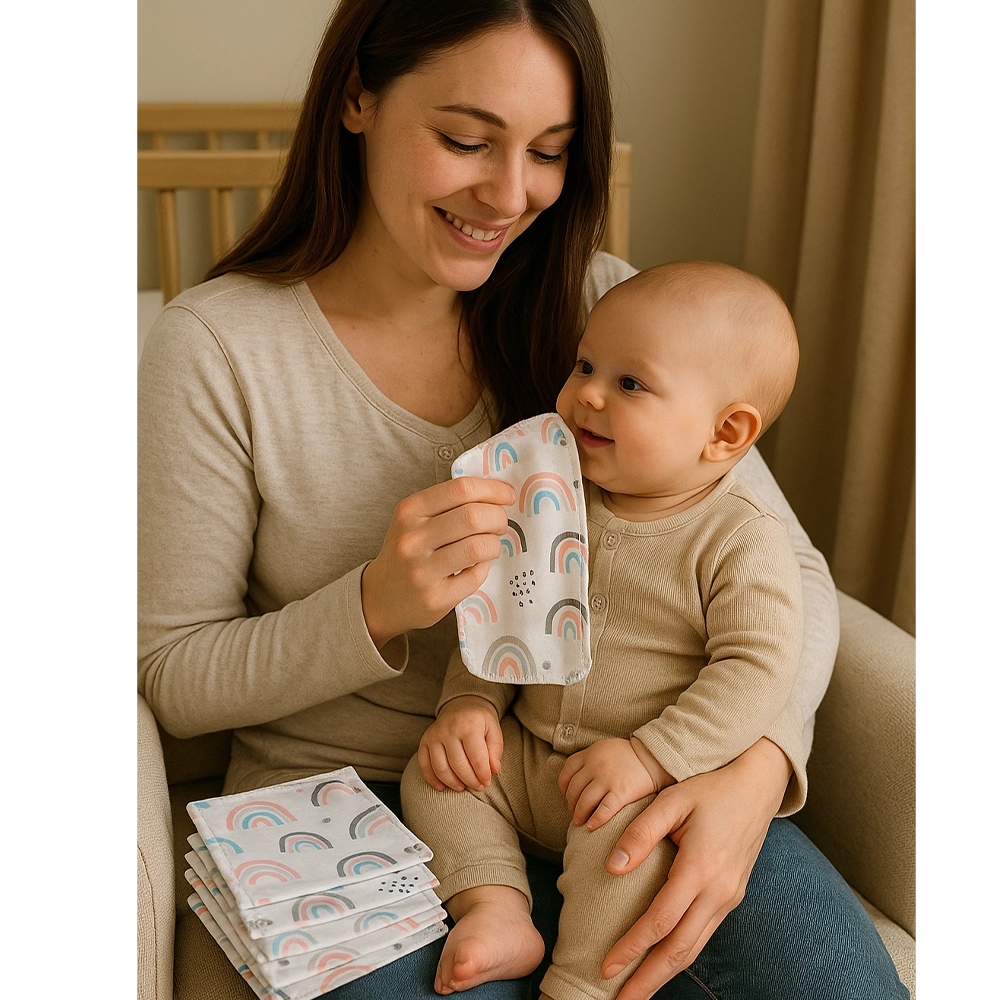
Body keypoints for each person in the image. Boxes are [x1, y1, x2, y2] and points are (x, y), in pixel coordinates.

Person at [135, 1, 908, 998]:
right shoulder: (217, 349)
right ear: (358, 97)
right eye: (465, 139)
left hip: (626, 769)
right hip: (353, 791)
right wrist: (374, 603)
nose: (508, 194)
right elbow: (172, 672)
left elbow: (784, 568)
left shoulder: (607, 311)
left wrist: (753, 764)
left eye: (548, 151)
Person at [401, 260, 810, 1000]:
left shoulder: (738, 538)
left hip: (632, 782)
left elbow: (757, 668)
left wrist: (654, 758)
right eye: (585, 364)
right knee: (436, 778)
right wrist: (468, 706)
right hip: (523, 760)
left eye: (629, 384)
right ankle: (495, 910)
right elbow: (504, 606)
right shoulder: (552, 495)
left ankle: (583, 982)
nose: (586, 392)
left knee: (632, 854)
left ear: (725, 432)